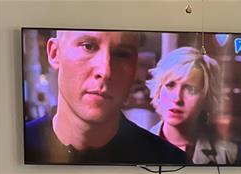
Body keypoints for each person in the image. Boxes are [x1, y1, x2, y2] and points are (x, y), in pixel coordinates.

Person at [24, 30, 187, 165]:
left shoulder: (171, 163)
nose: (106, 71)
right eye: (88, 46)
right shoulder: (12, 149)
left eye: (122, 54)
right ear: (54, 53)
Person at [146, 46, 239, 165]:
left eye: (191, 89)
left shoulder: (228, 155)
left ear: (206, 98)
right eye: (170, 85)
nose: (177, 98)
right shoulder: (135, 148)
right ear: (159, 91)